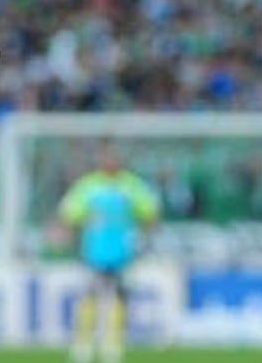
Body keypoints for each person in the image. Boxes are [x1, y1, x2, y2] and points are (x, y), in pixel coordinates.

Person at [58, 144, 160, 363]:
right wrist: (66, 232)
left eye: (114, 158)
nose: (110, 162)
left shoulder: (131, 185)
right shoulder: (89, 185)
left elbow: (150, 211)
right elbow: (70, 213)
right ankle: (83, 343)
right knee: (90, 295)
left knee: (120, 296)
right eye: (106, 158)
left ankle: (113, 343)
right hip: (94, 251)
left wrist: (147, 236)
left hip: (123, 251)